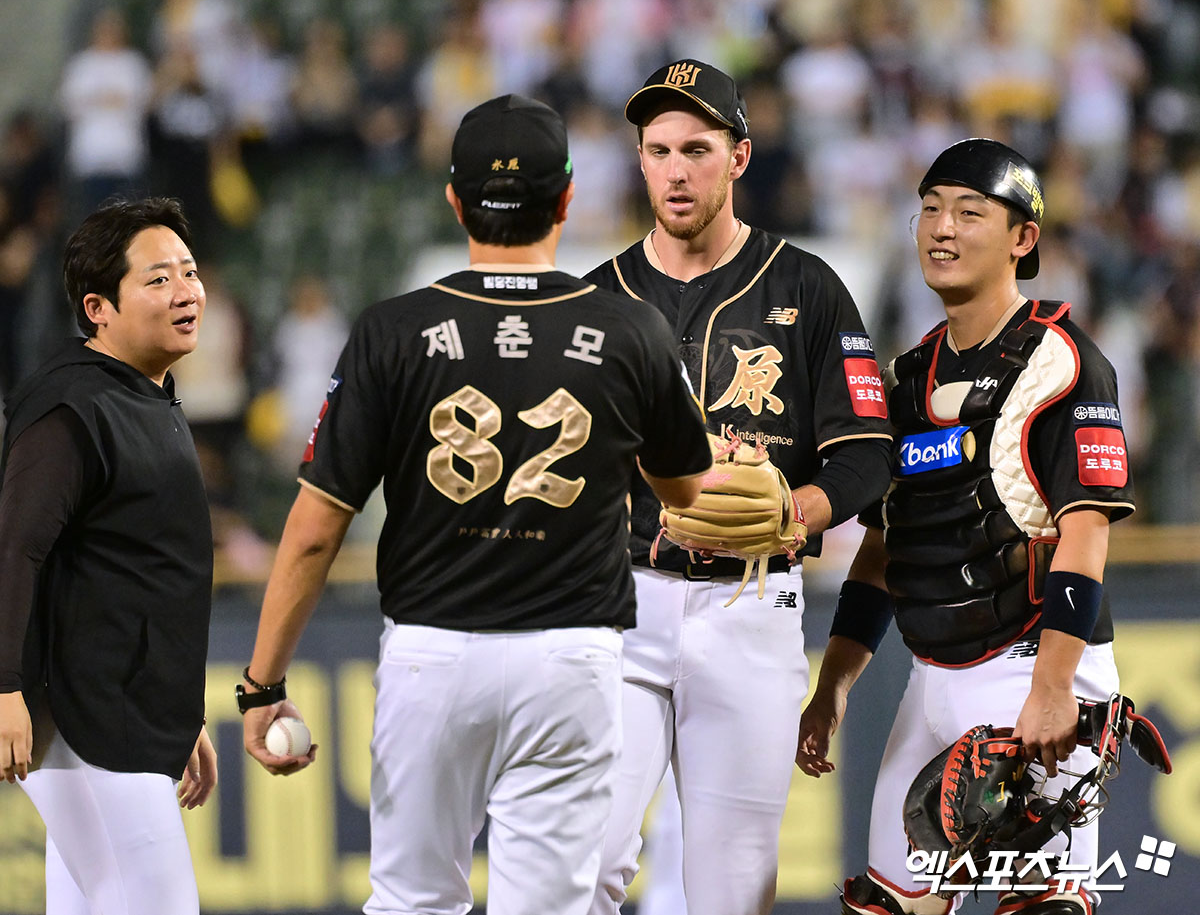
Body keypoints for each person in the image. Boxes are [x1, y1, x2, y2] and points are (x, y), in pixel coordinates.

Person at [237, 94, 713, 915]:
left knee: (414, 902)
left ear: (453, 199)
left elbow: (316, 532)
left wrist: (261, 682)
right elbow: (684, 497)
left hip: (432, 654)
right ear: (567, 198)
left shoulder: (392, 330)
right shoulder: (633, 330)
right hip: (570, 658)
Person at [585, 59, 894, 915]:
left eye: (697, 147)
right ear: (639, 160)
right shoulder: (596, 301)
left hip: (751, 607)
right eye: (657, 150)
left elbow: (870, 455)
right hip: (620, 605)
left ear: (740, 157)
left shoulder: (808, 287)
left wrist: (797, 510)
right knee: (585, 865)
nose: (676, 169)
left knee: (732, 889)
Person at [797, 139, 1133, 915]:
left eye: (970, 212)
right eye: (931, 209)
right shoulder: (908, 377)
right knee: (890, 903)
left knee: (1042, 905)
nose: (942, 228)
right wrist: (835, 683)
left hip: (1035, 662)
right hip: (934, 674)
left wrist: (1053, 688)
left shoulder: (1064, 362)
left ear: (1023, 237)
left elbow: (1086, 532)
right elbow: (886, 546)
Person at [0, 197, 216, 914]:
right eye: (157, 279)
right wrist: (3, 687)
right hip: (79, 717)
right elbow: (14, 547)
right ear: (98, 306)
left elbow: (142, 575)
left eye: (188, 271)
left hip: (123, 707)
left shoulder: (144, 395)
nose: (185, 291)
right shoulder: (71, 406)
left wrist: (181, 712)